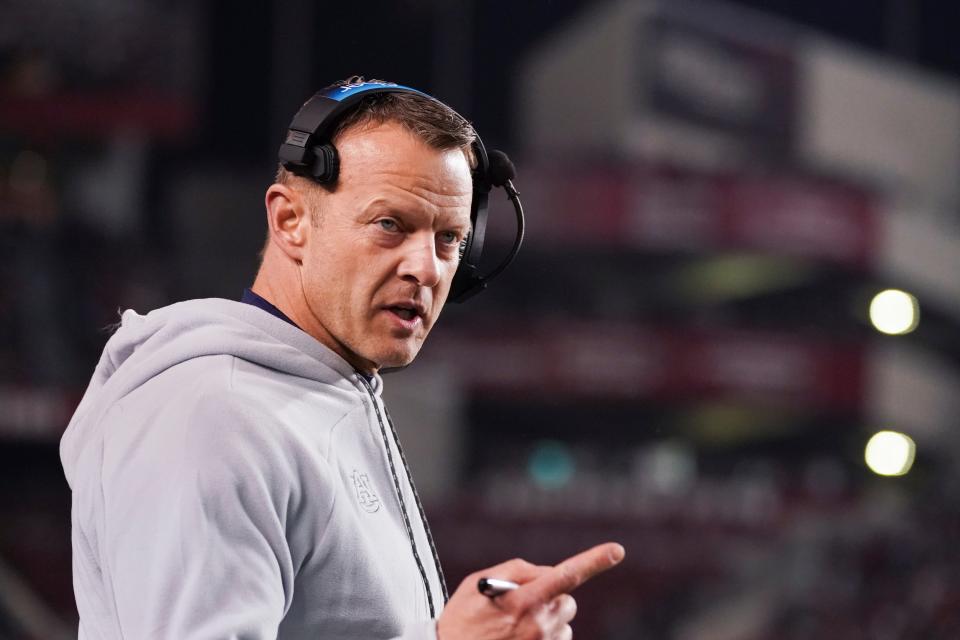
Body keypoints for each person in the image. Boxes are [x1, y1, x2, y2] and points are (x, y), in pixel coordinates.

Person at [60, 77, 624, 640]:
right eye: (389, 225)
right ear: (290, 222)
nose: (426, 268)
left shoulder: (319, 393)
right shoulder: (212, 417)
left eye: (449, 239)